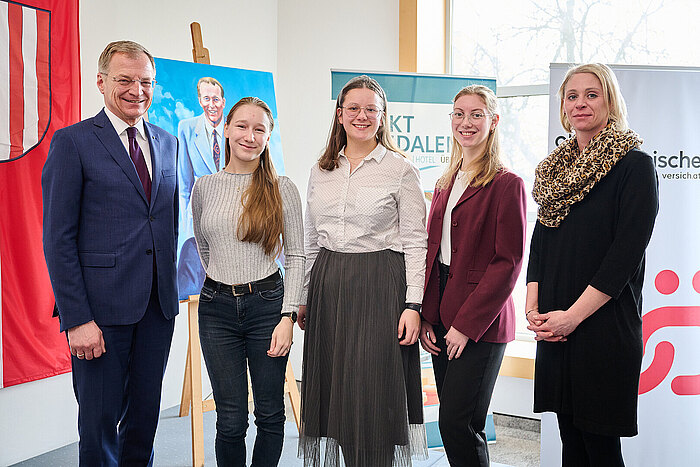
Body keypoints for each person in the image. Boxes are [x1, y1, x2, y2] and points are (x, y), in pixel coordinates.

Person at [42, 40, 178, 465]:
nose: (137, 90)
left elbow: (166, 223)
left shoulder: (168, 142)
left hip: (157, 309)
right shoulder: (73, 142)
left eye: (146, 82)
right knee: (99, 425)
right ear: (101, 82)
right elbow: (58, 239)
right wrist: (77, 319)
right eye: (125, 80)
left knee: (143, 422)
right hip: (98, 315)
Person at [526, 63, 659, 466]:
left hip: (602, 327)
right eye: (572, 96)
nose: (580, 103)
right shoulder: (555, 172)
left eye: (591, 94)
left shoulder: (634, 166)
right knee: (571, 443)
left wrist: (572, 318)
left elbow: (624, 257)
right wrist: (533, 309)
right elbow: (540, 244)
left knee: (600, 449)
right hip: (555, 325)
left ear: (610, 101)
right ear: (563, 107)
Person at [298, 75, 428, 467]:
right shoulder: (321, 170)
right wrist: (302, 298)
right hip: (328, 284)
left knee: (372, 395)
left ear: (383, 116)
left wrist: (413, 305)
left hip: (379, 285)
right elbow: (310, 239)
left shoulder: (400, 169)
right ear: (339, 114)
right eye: (353, 108)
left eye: (371, 109)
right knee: (336, 395)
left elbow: (416, 242)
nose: (362, 115)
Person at [191, 96, 304, 466]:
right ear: (226, 129)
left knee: (269, 414)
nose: (249, 136)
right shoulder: (204, 187)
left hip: (267, 307)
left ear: (268, 137)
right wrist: (223, 282)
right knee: (230, 419)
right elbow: (205, 247)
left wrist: (287, 316)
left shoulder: (281, 188)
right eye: (241, 126)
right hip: (215, 309)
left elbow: (297, 256)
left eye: (259, 129)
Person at [420, 85, 527, 467]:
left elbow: (507, 263)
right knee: (453, 423)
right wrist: (427, 316)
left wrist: (465, 326)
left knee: (459, 424)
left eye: (476, 114)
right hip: (441, 312)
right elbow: (434, 254)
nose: (466, 122)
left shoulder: (507, 183)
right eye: (459, 114)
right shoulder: (445, 181)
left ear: (493, 121)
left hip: (481, 322)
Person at [177, 77, 227, 297]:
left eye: (215, 99)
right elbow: (184, 185)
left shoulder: (234, 128)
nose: (211, 104)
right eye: (206, 99)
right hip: (200, 212)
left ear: (223, 102)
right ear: (200, 100)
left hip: (231, 215)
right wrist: (187, 230)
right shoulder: (187, 128)